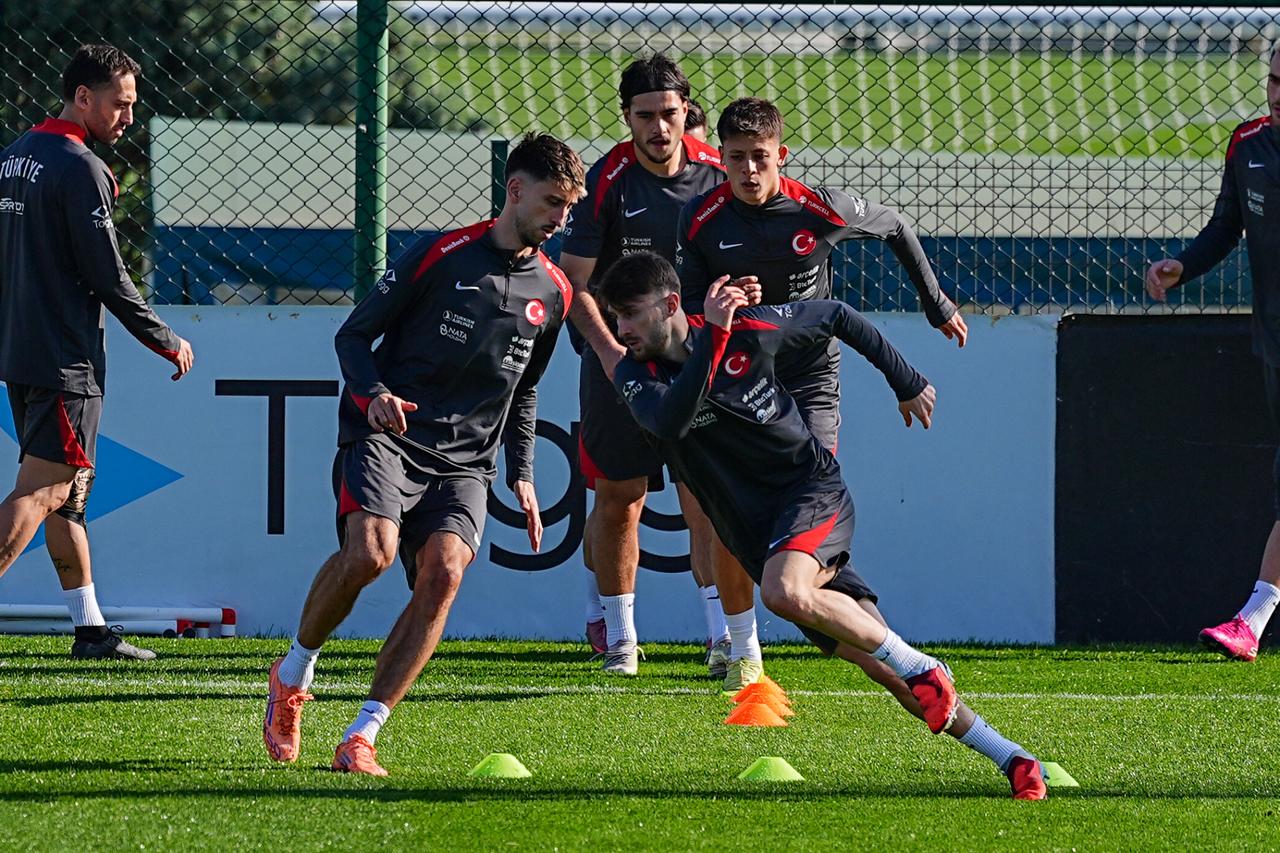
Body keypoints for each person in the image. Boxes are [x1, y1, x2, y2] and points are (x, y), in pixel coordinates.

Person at [600, 251, 1047, 800]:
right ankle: (1014, 758)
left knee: (785, 593)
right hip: (757, 534)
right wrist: (713, 339)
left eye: (629, 314)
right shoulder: (633, 374)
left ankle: (920, 662)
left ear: (670, 305)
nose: (621, 329)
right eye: (614, 316)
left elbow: (835, 313)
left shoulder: (751, 330)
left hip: (809, 493)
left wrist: (904, 378)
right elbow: (673, 420)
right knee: (890, 673)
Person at [262, 133, 585, 776]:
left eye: (569, 209)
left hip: (467, 463)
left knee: (443, 576)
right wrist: (375, 391)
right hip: (389, 433)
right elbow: (353, 335)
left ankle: (362, 736)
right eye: (552, 203)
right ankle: (293, 675)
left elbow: (524, 391)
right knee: (371, 555)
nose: (560, 219)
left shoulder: (554, 293)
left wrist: (521, 472)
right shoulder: (441, 254)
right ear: (514, 190)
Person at [675, 97, 968, 691]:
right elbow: (686, 308)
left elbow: (896, 226)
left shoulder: (818, 207)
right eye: (736, 160)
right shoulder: (702, 220)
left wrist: (935, 303)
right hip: (738, 383)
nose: (750, 172)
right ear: (720, 160)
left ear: (780, 155)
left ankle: (868, 631)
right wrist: (723, 302)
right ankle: (744, 646)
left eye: (761, 158)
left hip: (808, 381)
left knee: (812, 503)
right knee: (734, 513)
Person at [0, 43, 195, 661]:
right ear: (83, 97)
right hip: (64, 360)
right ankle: (91, 631)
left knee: (68, 489)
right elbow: (107, 273)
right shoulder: (79, 167)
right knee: (44, 491)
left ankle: (91, 630)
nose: (128, 118)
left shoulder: (14, 157)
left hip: (22, 349)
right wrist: (164, 337)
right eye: (120, 104)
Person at [559, 55, 735, 676]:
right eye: (645, 116)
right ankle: (621, 639)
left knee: (705, 499)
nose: (659, 128)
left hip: (694, 363)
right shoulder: (606, 179)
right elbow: (573, 284)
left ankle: (722, 637)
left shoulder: (720, 173)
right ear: (626, 117)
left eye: (669, 114)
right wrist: (610, 355)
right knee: (621, 498)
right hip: (620, 362)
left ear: (686, 110)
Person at [1145, 48, 1280, 661]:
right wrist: (1184, 266)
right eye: (1275, 79)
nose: (1278, 93)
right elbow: (1227, 226)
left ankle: (1254, 616)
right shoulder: (1247, 144)